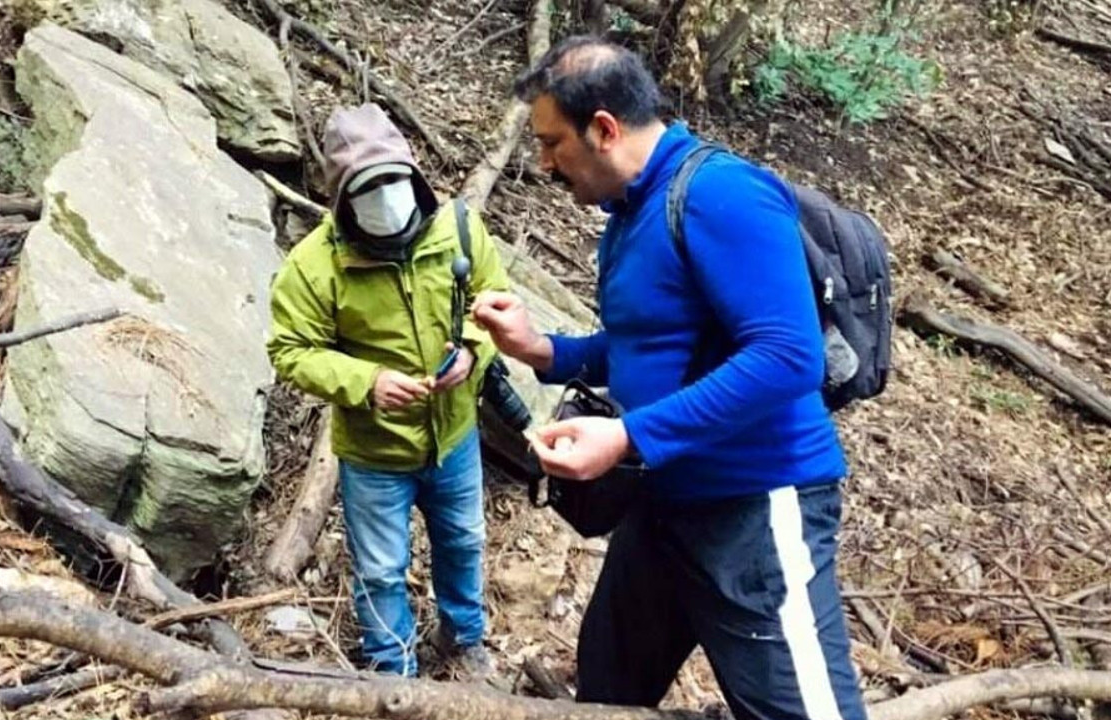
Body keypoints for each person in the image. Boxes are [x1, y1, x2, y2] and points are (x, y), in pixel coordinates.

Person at [471, 36, 869, 720]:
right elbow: (648, 346)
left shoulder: (721, 194)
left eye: (551, 143)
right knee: (607, 686)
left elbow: (787, 356)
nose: (541, 164)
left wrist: (626, 436)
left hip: (756, 509)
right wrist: (544, 351)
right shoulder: (631, 213)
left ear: (604, 129)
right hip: (665, 508)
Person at [267, 103, 508, 679]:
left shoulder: (458, 229)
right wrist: (366, 382)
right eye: (366, 188)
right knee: (379, 568)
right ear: (341, 197)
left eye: (391, 182)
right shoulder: (315, 265)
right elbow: (290, 350)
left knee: (465, 542)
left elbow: (495, 296)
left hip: (454, 435)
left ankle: (465, 640)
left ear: (412, 174)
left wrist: (473, 348)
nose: (384, 198)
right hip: (374, 452)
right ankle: (389, 670)